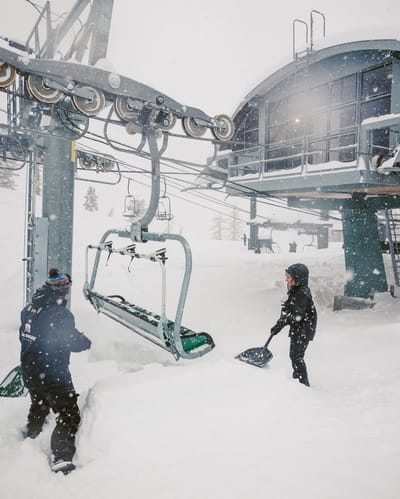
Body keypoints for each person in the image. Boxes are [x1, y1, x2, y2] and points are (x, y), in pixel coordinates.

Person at [19, 268, 91, 474]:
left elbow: (25, 336)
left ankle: (32, 436)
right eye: (65, 287)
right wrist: (85, 341)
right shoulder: (60, 314)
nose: (67, 290)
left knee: (39, 403)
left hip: (30, 370)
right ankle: (61, 457)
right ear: (62, 290)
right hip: (53, 374)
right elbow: (71, 341)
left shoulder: (31, 308)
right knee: (68, 414)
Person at [270, 263, 317, 387]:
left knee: (297, 356)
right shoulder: (296, 290)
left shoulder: (302, 293)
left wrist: (283, 322)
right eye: (286, 275)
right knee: (294, 355)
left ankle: (303, 384)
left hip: (304, 328)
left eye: (289, 276)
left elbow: (298, 316)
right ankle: (298, 381)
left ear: (298, 278)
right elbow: (290, 311)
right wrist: (279, 323)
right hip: (299, 328)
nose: (286, 279)